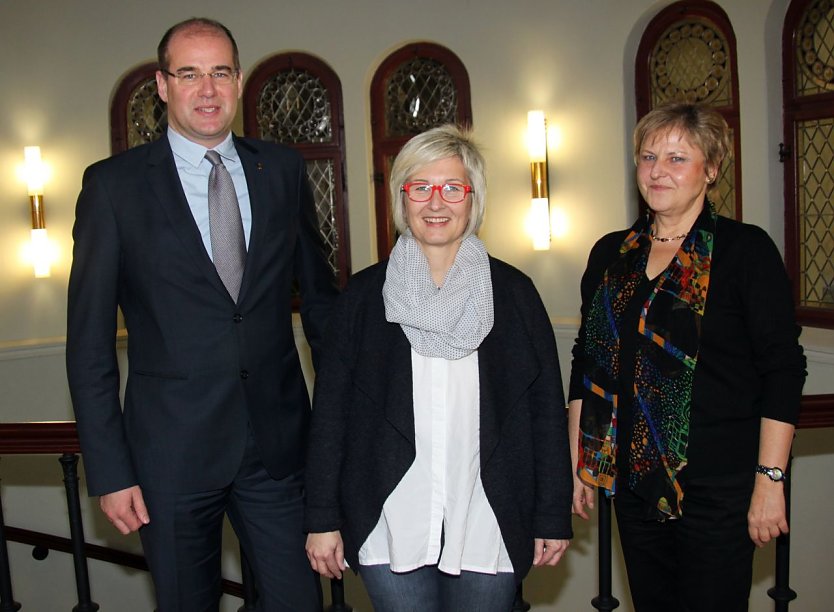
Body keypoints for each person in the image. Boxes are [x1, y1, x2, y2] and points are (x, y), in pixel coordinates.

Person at [66, 17, 337, 612]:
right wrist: (109, 471)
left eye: (219, 72)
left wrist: (341, 426)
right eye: (189, 74)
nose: (207, 89)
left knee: (299, 602)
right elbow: (87, 346)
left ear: (238, 81)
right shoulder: (113, 188)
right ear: (162, 86)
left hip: (278, 452)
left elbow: (321, 305)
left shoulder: (283, 170)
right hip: (171, 456)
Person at [303, 124, 573, 611]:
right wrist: (322, 517)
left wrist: (552, 513)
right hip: (390, 514)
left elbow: (547, 413)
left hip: (488, 512)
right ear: (401, 199)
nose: (435, 203)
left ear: (473, 199)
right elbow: (330, 417)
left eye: (452, 188)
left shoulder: (514, 295)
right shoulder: (363, 299)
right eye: (420, 187)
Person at [568, 103, 806, 612]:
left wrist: (770, 480)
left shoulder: (744, 251)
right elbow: (586, 362)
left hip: (718, 489)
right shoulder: (611, 253)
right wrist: (580, 460)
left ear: (711, 168)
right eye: (649, 156)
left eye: (677, 158)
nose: (658, 171)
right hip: (633, 484)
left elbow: (783, 369)